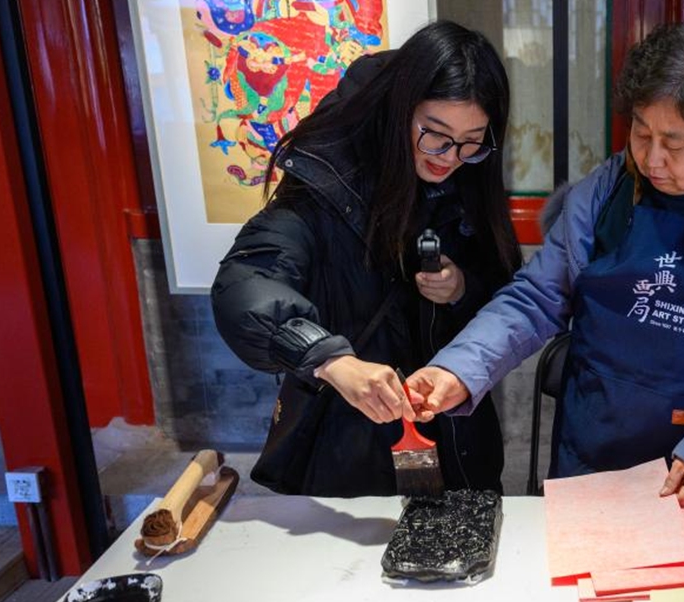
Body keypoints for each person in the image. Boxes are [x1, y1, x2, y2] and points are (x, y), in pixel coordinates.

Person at [407, 24, 684, 504]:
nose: (652, 159)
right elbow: (534, 299)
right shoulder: (606, 191)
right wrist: (459, 369)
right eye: (641, 131)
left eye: (674, 143)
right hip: (594, 454)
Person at [212, 21, 522, 497]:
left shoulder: (469, 177)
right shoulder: (328, 182)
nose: (450, 156)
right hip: (347, 443)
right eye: (434, 134)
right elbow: (246, 279)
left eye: (471, 140)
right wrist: (327, 358)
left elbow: (507, 289)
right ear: (400, 111)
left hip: (456, 434)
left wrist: (463, 287)